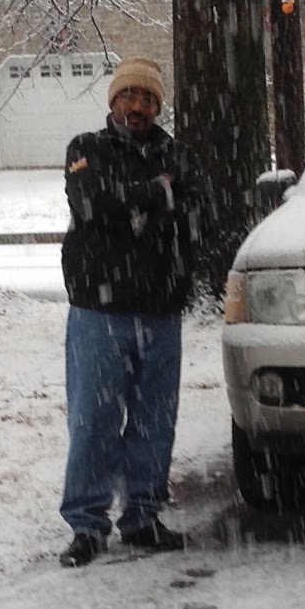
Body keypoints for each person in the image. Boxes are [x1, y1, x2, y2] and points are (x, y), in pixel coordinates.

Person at [57, 56, 212, 568]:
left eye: (148, 99)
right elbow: (91, 205)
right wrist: (158, 194)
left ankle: (143, 517)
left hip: (161, 311)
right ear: (113, 101)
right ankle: (87, 524)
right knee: (94, 419)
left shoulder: (179, 155)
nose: (139, 106)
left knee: (153, 421)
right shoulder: (86, 150)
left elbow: (201, 215)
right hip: (99, 313)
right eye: (130, 96)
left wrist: (139, 207)